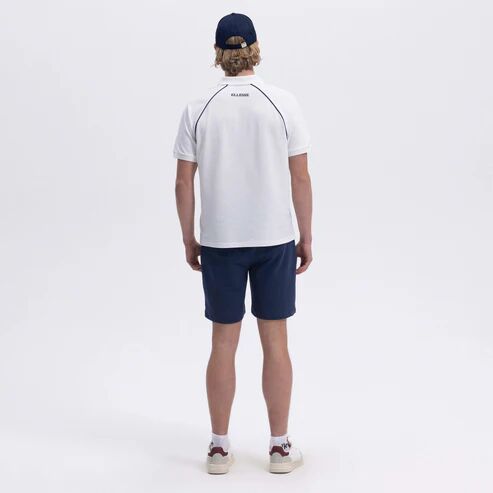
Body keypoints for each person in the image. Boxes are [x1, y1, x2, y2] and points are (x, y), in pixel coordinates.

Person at [173, 12, 313, 474]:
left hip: (221, 241)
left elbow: (183, 182)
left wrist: (189, 238)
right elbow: (300, 176)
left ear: (218, 53)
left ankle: (218, 448)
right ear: (255, 49)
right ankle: (279, 448)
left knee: (222, 343)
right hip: (274, 240)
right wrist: (307, 235)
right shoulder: (283, 102)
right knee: (275, 341)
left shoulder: (198, 107)